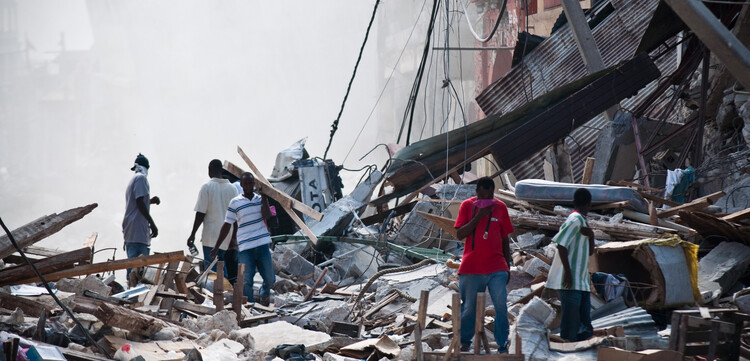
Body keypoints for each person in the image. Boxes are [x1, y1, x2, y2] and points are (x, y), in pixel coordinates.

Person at [453, 177, 514, 353]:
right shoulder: (467, 206)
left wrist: (507, 265)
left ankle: (502, 344)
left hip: (497, 266)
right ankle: (465, 341)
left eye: (491, 195)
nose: (488, 199)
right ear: (477, 192)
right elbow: (460, 234)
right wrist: (479, 215)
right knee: (469, 306)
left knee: (501, 305)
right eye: (484, 195)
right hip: (472, 267)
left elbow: (505, 239)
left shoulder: (501, 207)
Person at [212, 172, 275, 306]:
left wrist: (264, 199)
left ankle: (264, 293)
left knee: (270, 279)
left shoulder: (259, 199)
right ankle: (251, 308)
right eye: (245, 184)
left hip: (262, 245)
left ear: (254, 184)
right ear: (241, 185)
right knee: (246, 281)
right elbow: (227, 225)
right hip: (246, 248)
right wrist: (217, 246)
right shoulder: (235, 203)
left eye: (250, 183)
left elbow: (268, 216)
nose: (248, 186)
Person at [545, 188, 595, 342]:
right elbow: (561, 244)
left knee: (584, 327)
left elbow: (590, 252)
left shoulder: (582, 220)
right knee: (571, 326)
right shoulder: (575, 220)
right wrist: (568, 272)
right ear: (589, 204)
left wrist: (592, 235)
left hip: (581, 283)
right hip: (571, 282)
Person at [187, 159, 239, 282]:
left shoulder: (207, 187)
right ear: (221, 170)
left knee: (212, 273)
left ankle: (218, 298)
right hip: (226, 238)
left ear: (209, 170)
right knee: (221, 268)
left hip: (210, 238)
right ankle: (226, 295)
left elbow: (200, 213)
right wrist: (234, 237)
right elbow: (236, 217)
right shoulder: (233, 189)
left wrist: (192, 234)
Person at [122, 153, 160, 280]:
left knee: (132, 266)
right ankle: (136, 295)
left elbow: (137, 201)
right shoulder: (141, 178)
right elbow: (139, 203)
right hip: (137, 230)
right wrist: (152, 224)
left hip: (131, 229)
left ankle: (130, 294)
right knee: (141, 269)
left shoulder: (133, 179)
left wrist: (150, 201)